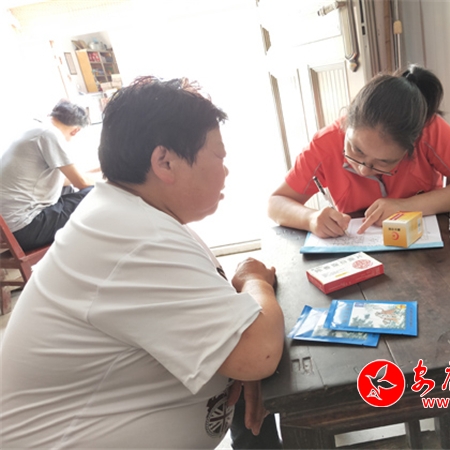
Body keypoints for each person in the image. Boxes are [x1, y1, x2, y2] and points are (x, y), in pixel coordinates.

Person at [0, 76, 285, 449]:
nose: (226, 170)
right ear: (165, 162)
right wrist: (253, 280)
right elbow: (259, 352)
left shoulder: (127, 215)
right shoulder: (136, 238)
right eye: (219, 156)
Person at [268, 65, 450, 238]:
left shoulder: (428, 130)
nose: (363, 169)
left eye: (384, 162)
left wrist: (407, 206)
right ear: (347, 123)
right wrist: (310, 218)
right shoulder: (326, 143)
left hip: (427, 251)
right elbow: (276, 202)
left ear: (412, 144)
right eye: (355, 150)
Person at [0, 100, 96, 251]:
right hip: (26, 228)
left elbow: (64, 181)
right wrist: (110, 180)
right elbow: (82, 183)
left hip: (10, 228)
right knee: (97, 194)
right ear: (76, 131)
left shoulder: (34, 128)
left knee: (69, 191)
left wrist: (96, 173)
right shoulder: (49, 134)